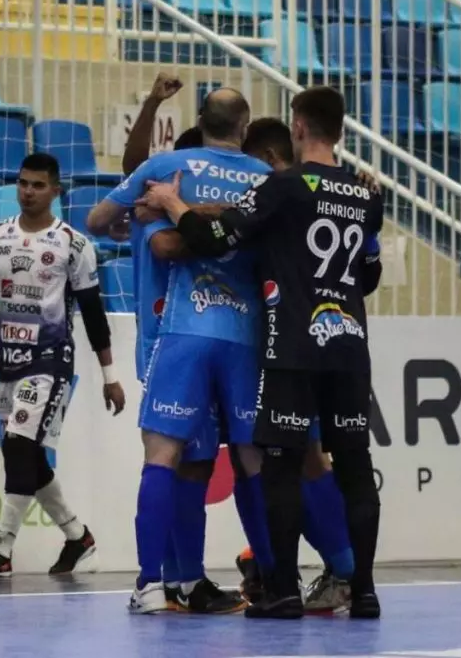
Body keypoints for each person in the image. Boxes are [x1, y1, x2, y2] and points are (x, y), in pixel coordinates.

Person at [139, 86, 384, 620]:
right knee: (354, 466)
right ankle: (363, 589)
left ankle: (283, 591)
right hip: (348, 345)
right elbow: (369, 275)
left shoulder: (283, 187)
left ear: (299, 127)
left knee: (279, 464)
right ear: (341, 130)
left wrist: (174, 204)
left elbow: (216, 235)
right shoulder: (368, 194)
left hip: (292, 344)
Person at [91, 87, 277, 615]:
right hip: (241, 336)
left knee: (176, 457)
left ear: (199, 123)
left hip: (180, 333)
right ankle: (255, 580)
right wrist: (223, 219)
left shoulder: (165, 174)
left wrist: (180, 207)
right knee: (239, 458)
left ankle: (163, 583)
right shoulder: (265, 180)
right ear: (244, 128)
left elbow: (98, 219)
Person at [0, 153, 126, 579]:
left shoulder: (73, 244)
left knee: (18, 446)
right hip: (8, 364)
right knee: (25, 455)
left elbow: (93, 314)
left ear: (55, 191)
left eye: (38, 185)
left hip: (50, 362)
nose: (28, 192)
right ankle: (78, 538)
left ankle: (1, 549)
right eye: (23, 183)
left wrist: (110, 377)